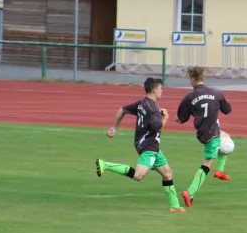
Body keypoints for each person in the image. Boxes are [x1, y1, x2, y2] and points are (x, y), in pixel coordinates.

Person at [95, 77, 185, 213]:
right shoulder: (153, 109)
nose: (162, 91)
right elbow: (158, 128)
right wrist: (165, 117)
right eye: (161, 89)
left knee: (167, 174)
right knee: (138, 176)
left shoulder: (142, 103)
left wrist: (114, 127)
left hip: (149, 146)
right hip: (148, 147)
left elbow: (122, 110)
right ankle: (105, 165)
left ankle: (175, 206)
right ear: (154, 90)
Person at [175, 66, 233, 207]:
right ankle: (190, 193)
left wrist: (178, 119)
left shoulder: (189, 97)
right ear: (203, 78)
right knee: (208, 162)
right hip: (211, 133)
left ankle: (220, 171)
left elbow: (182, 118)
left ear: (192, 79)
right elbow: (227, 110)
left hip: (203, 131)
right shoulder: (217, 93)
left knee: (226, 138)